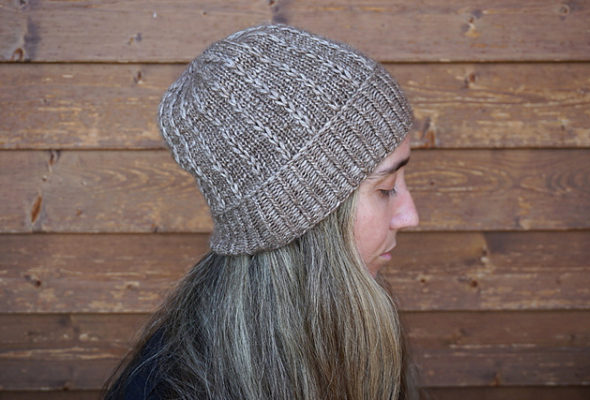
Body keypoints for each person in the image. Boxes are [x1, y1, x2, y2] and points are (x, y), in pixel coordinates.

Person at [105, 23, 419, 400]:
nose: (410, 216)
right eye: (385, 188)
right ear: (297, 214)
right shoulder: (175, 390)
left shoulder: (355, 321)